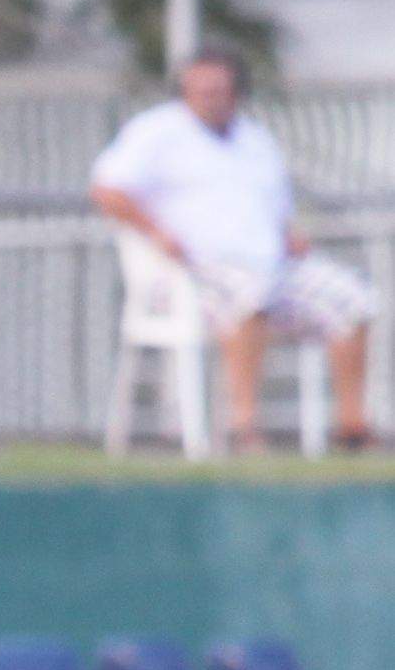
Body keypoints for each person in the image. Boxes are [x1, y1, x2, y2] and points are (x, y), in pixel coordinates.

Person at [88, 48, 375, 451]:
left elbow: (275, 207)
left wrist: (288, 234)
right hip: (193, 269)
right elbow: (107, 190)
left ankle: (353, 427)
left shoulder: (255, 139)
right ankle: (244, 425)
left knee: (353, 298)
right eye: (199, 90)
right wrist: (155, 232)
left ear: (237, 92)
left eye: (218, 90)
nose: (209, 98)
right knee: (250, 293)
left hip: (271, 263)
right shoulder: (155, 132)